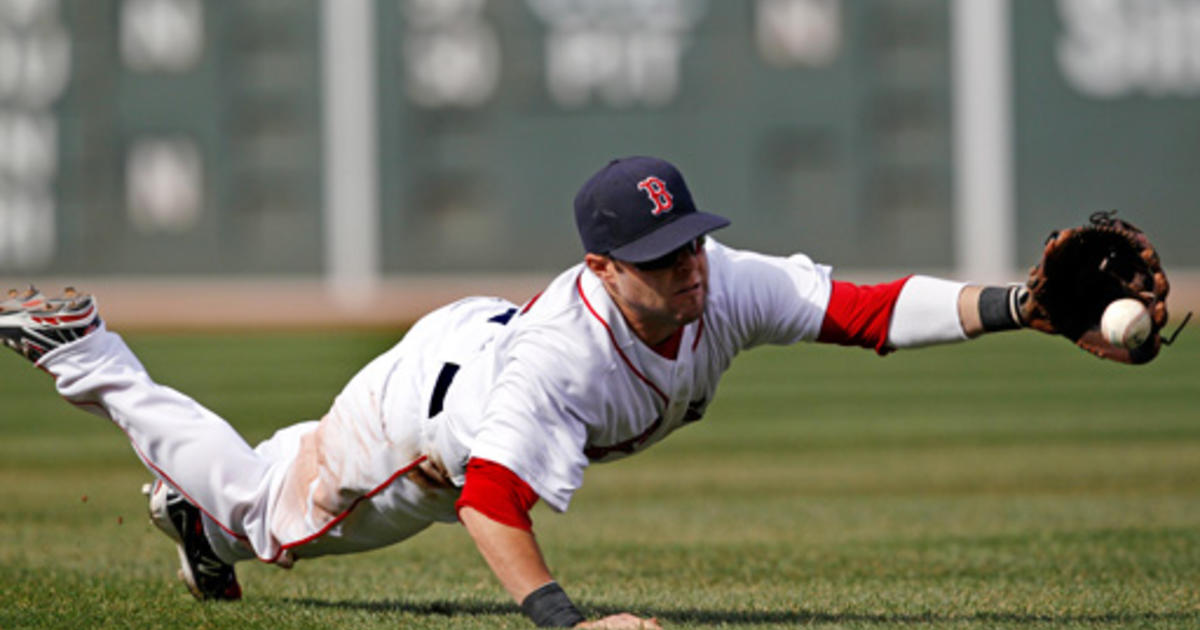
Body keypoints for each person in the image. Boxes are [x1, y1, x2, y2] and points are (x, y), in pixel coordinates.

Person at [0, 156, 1033, 629]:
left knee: (270, 486)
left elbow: (868, 311)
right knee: (273, 519)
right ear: (603, 266)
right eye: (660, 256)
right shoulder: (565, 362)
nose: (689, 269)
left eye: (692, 242)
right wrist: (565, 623)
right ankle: (88, 352)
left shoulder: (722, 281)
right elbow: (492, 504)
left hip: (472, 349)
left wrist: (1024, 304)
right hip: (431, 420)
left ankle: (191, 523)